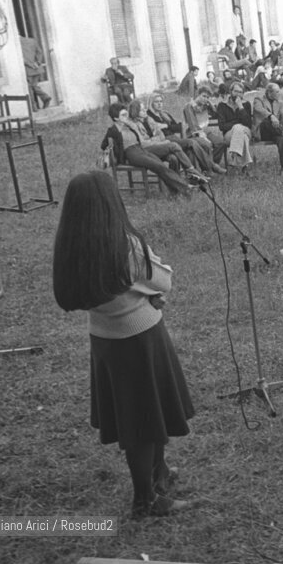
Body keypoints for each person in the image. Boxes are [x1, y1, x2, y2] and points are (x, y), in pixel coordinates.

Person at [52, 170, 195, 517]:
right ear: (109, 204)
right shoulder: (125, 246)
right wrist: (149, 294)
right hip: (139, 339)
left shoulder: (72, 247)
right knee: (144, 420)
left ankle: (158, 473)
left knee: (146, 411)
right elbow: (163, 279)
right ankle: (145, 499)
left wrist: (141, 296)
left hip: (105, 340)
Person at [100, 103, 193, 197]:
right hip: (131, 153)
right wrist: (116, 152)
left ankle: (174, 192)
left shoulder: (129, 126)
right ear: (116, 118)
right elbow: (104, 145)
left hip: (140, 149)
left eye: (126, 114)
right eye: (123, 115)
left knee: (160, 165)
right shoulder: (113, 130)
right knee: (157, 166)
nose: (126, 117)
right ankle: (185, 187)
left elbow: (141, 139)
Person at [252, 82, 283, 174]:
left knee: (281, 140)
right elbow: (259, 110)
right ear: (269, 93)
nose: (279, 94)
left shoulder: (280, 103)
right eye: (277, 92)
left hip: (275, 132)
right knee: (267, 121)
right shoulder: (258, 100)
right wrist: (271, 116)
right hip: (262, 132)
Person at [217, 81, 254, 172]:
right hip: (229, 135)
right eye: (236, 91)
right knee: (239, 130)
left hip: (247, 131)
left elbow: (248, 124)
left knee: (239, 129)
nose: (238, 94)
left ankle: (235, 159)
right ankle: (244, 164)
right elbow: (222, 126)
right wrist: (237, 123)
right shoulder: (222, 105)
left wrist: (241, 107)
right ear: (231, 91)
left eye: (240, 92)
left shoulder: (246, 104)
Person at [20, 35, 52, 109]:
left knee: (30, 88)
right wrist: (38, 62)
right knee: (34, 86)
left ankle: (34, 107)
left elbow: (21, 58)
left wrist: (30, 64)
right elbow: (39, 52)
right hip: (37, 68)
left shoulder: (17, 45)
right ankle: (45, 98)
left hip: (28, 69)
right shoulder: (32, 41)